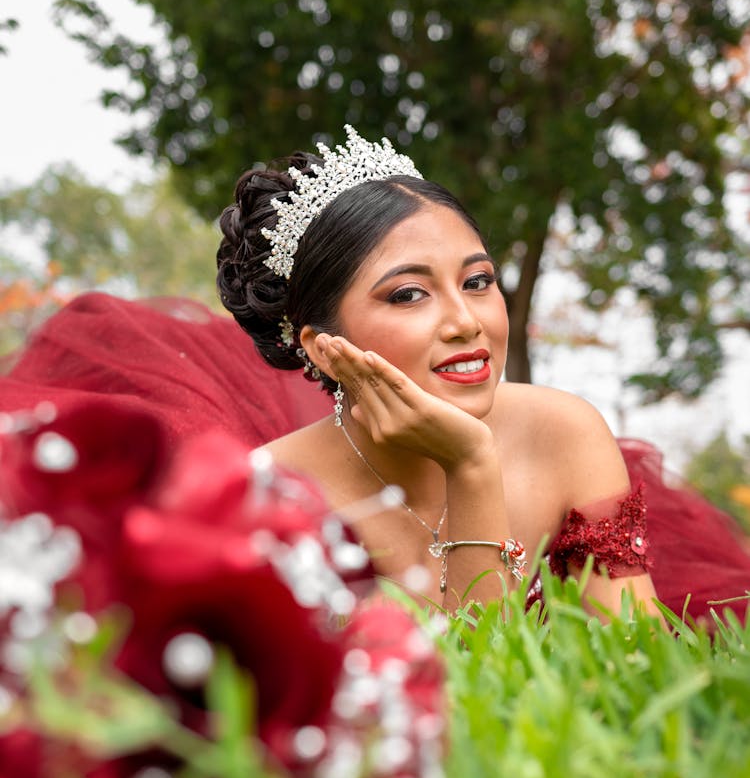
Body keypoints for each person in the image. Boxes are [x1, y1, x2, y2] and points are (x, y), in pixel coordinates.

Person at [215, 125, 667, 617]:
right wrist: (471, 464)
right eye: (409, 294)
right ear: (324, 349)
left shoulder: (563, 433)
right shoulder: (266, 499)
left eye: (477, 282)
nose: (466, 322)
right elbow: (480, 678)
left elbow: (635, 651)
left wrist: (469, 463)